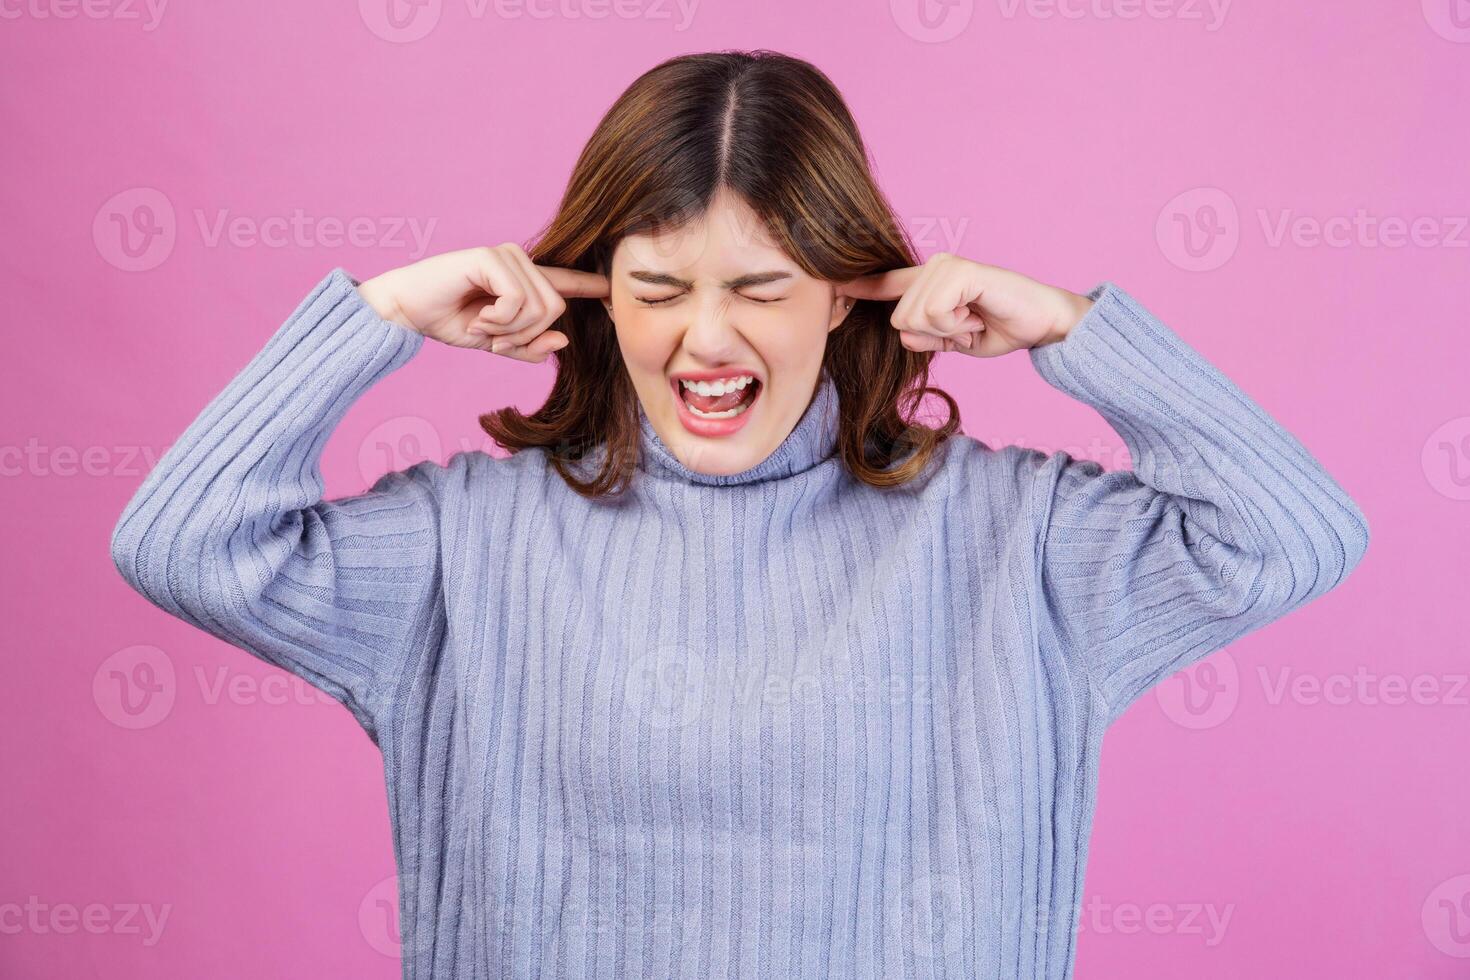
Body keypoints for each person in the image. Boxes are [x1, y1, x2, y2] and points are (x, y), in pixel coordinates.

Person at [109, 49, 1369, 980]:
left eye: (762, 287)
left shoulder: (1016, 539)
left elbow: (1291, 534)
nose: (704, 338)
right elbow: (185, 544)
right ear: (599, 297)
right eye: (656, 287)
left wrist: (1072, 330)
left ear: (847, 293)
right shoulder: (464, 546)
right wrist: (375, 317)